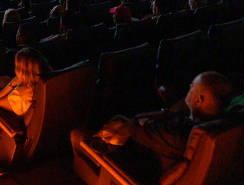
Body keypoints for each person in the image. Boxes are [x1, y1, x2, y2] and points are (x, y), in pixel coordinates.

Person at [71, 72, 232, 174]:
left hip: (134, 169)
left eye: (192, 87)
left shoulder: (176, 136)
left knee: (77, 135)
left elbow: (131, 129)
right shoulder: (209, 124)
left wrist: (125, 126)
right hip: (146, 152)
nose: (188, 88)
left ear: (199, 100)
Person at [0, 47, 49, 117]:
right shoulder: (45, 81)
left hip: (8, 120)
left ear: (22, 72)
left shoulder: (20, 95)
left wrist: (11, 84)